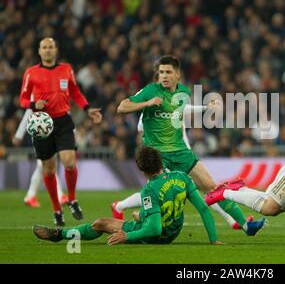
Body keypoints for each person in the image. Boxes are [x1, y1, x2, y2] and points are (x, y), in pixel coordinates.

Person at [116, 55, 265, 236]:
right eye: (161, 72)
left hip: (181, 151)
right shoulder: (150, 91)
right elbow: (122, 107)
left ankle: (245, 225)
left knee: (213, 187)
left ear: (177, 75)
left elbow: (180, 110)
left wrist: (205, 108)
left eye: (168, 72)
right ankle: (137, 221)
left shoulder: (183, 93)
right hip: (157, 156)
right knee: (161, 197)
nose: (163, 75)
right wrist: (147, 103)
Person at [32, 146, 222, 245]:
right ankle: (141, 217)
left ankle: (60, 234)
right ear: (160, 162)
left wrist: (127, 236)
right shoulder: (182, 177)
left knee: (100, 223)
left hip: (158, 236)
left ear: (141, 170)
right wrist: (213, 239)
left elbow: (155, 230)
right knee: (141, 213)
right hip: (174, 230)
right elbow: (204, 209)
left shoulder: (149, 190)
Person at [112, 102, 252, 229]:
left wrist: (205, 108)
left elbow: (186, 108)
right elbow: (141, 127)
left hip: (183, 156)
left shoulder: (174, 105)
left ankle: (233, 220)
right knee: (156, 192)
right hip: (164, 157)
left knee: (209, 188)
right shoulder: (153, 107)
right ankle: (121, 206)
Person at [19, 37, 102, 226]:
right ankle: (57, 210)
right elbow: (22, 99)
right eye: (44, 47)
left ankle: (72, 199)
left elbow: (75, 92)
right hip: (42, 124)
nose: (47, 50)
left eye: (50, 47)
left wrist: (87, 109)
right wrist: (34, 104)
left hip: (63, 120)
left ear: (55, 50)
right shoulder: (31, 73)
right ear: (39, 51)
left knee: (69, 162)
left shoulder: (66, 69)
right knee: (48, 169)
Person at [12, 108, 68, 208]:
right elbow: (28, 110)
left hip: (52, 131)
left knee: (43, 166)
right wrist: (19, 135)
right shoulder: (37, 95)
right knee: (45, 165)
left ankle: (30, 196)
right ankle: (60, 196)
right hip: (39, 133)